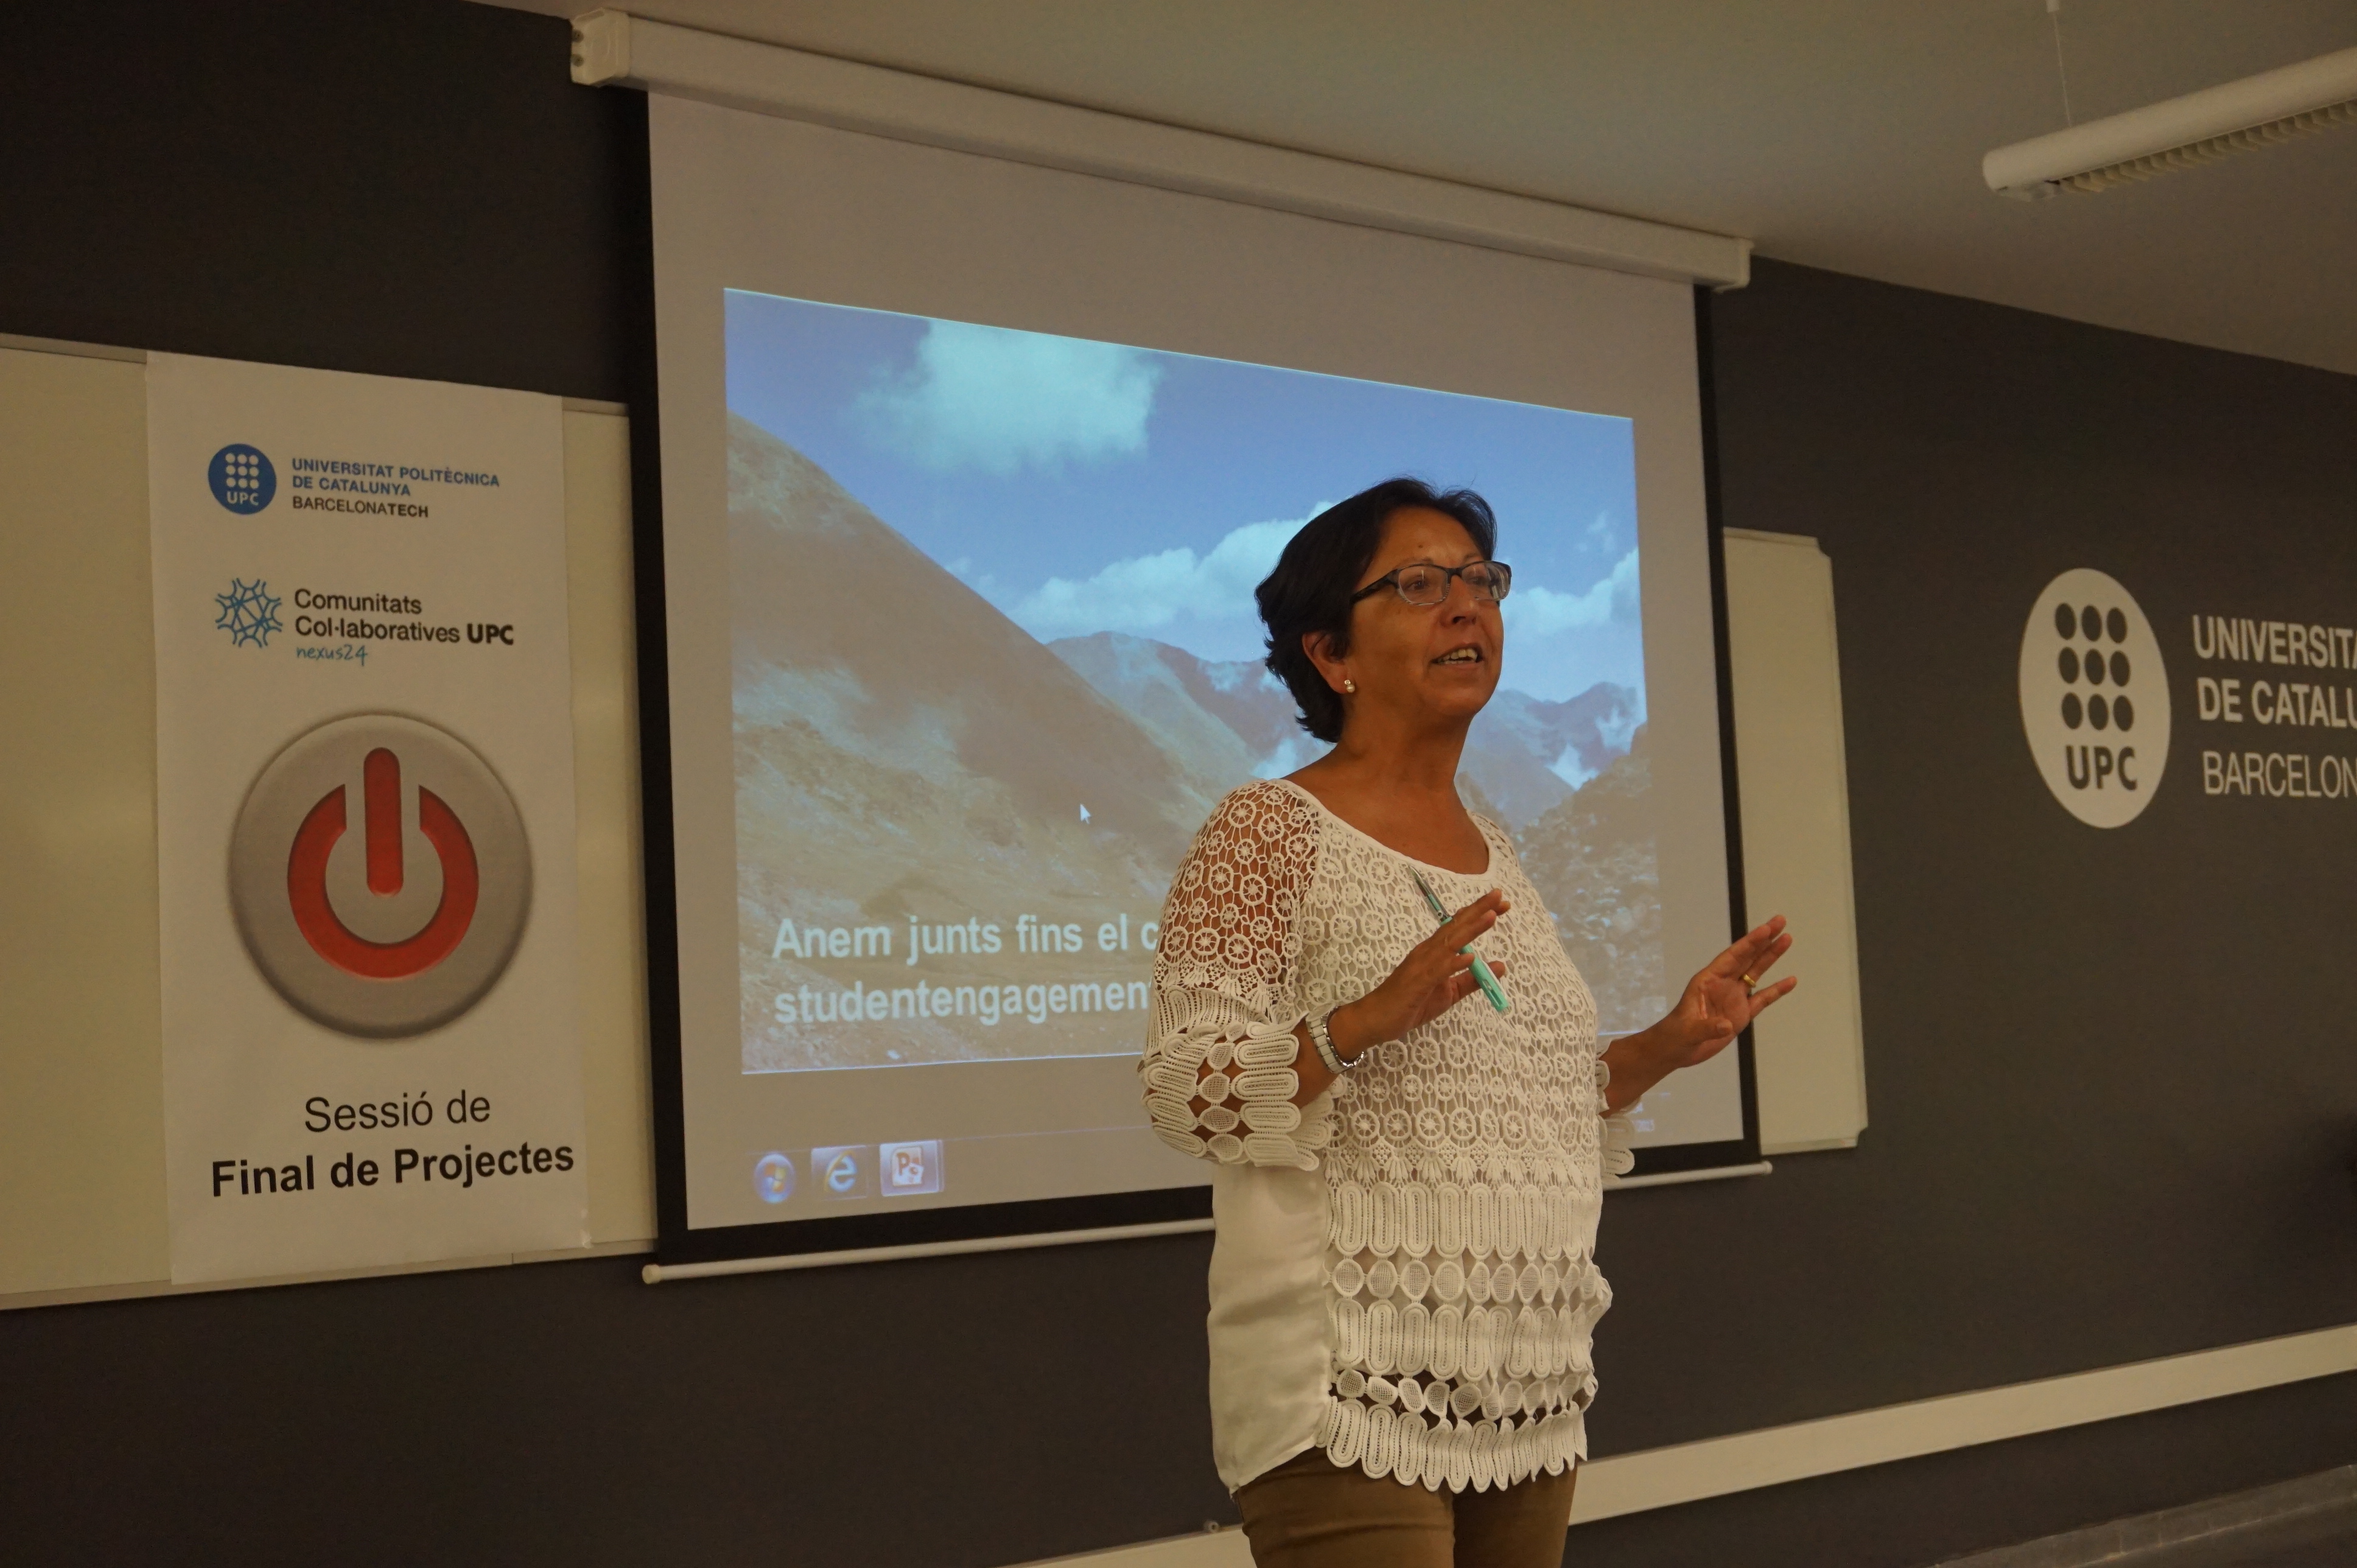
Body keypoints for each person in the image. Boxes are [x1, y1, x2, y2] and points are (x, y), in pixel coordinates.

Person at [1140, 478, 1795, 1567]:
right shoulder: (1264, 831)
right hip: (1348, 1388)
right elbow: (1182, 1093)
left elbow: (1515, 1099)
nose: (1466, 605)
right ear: (1330, 652)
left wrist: (1664, 1046)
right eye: (1418, 584)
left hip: (1524, 1385)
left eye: (1481, 581)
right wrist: (1360, 1023)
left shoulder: (1496, 846)